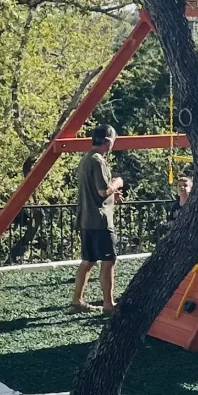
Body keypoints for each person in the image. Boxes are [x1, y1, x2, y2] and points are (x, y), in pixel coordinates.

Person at [72, 123, 123, 314]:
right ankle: (108, 304)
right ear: (108, 141)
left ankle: (77, 300)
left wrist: (112, 195)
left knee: (88, 261)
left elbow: (96, 191)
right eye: (113, 141)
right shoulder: (98, 161)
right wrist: (117, 183)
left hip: (86, 219)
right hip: (100, 221)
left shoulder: (86, 159)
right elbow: (102, 191)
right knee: (109, 261)